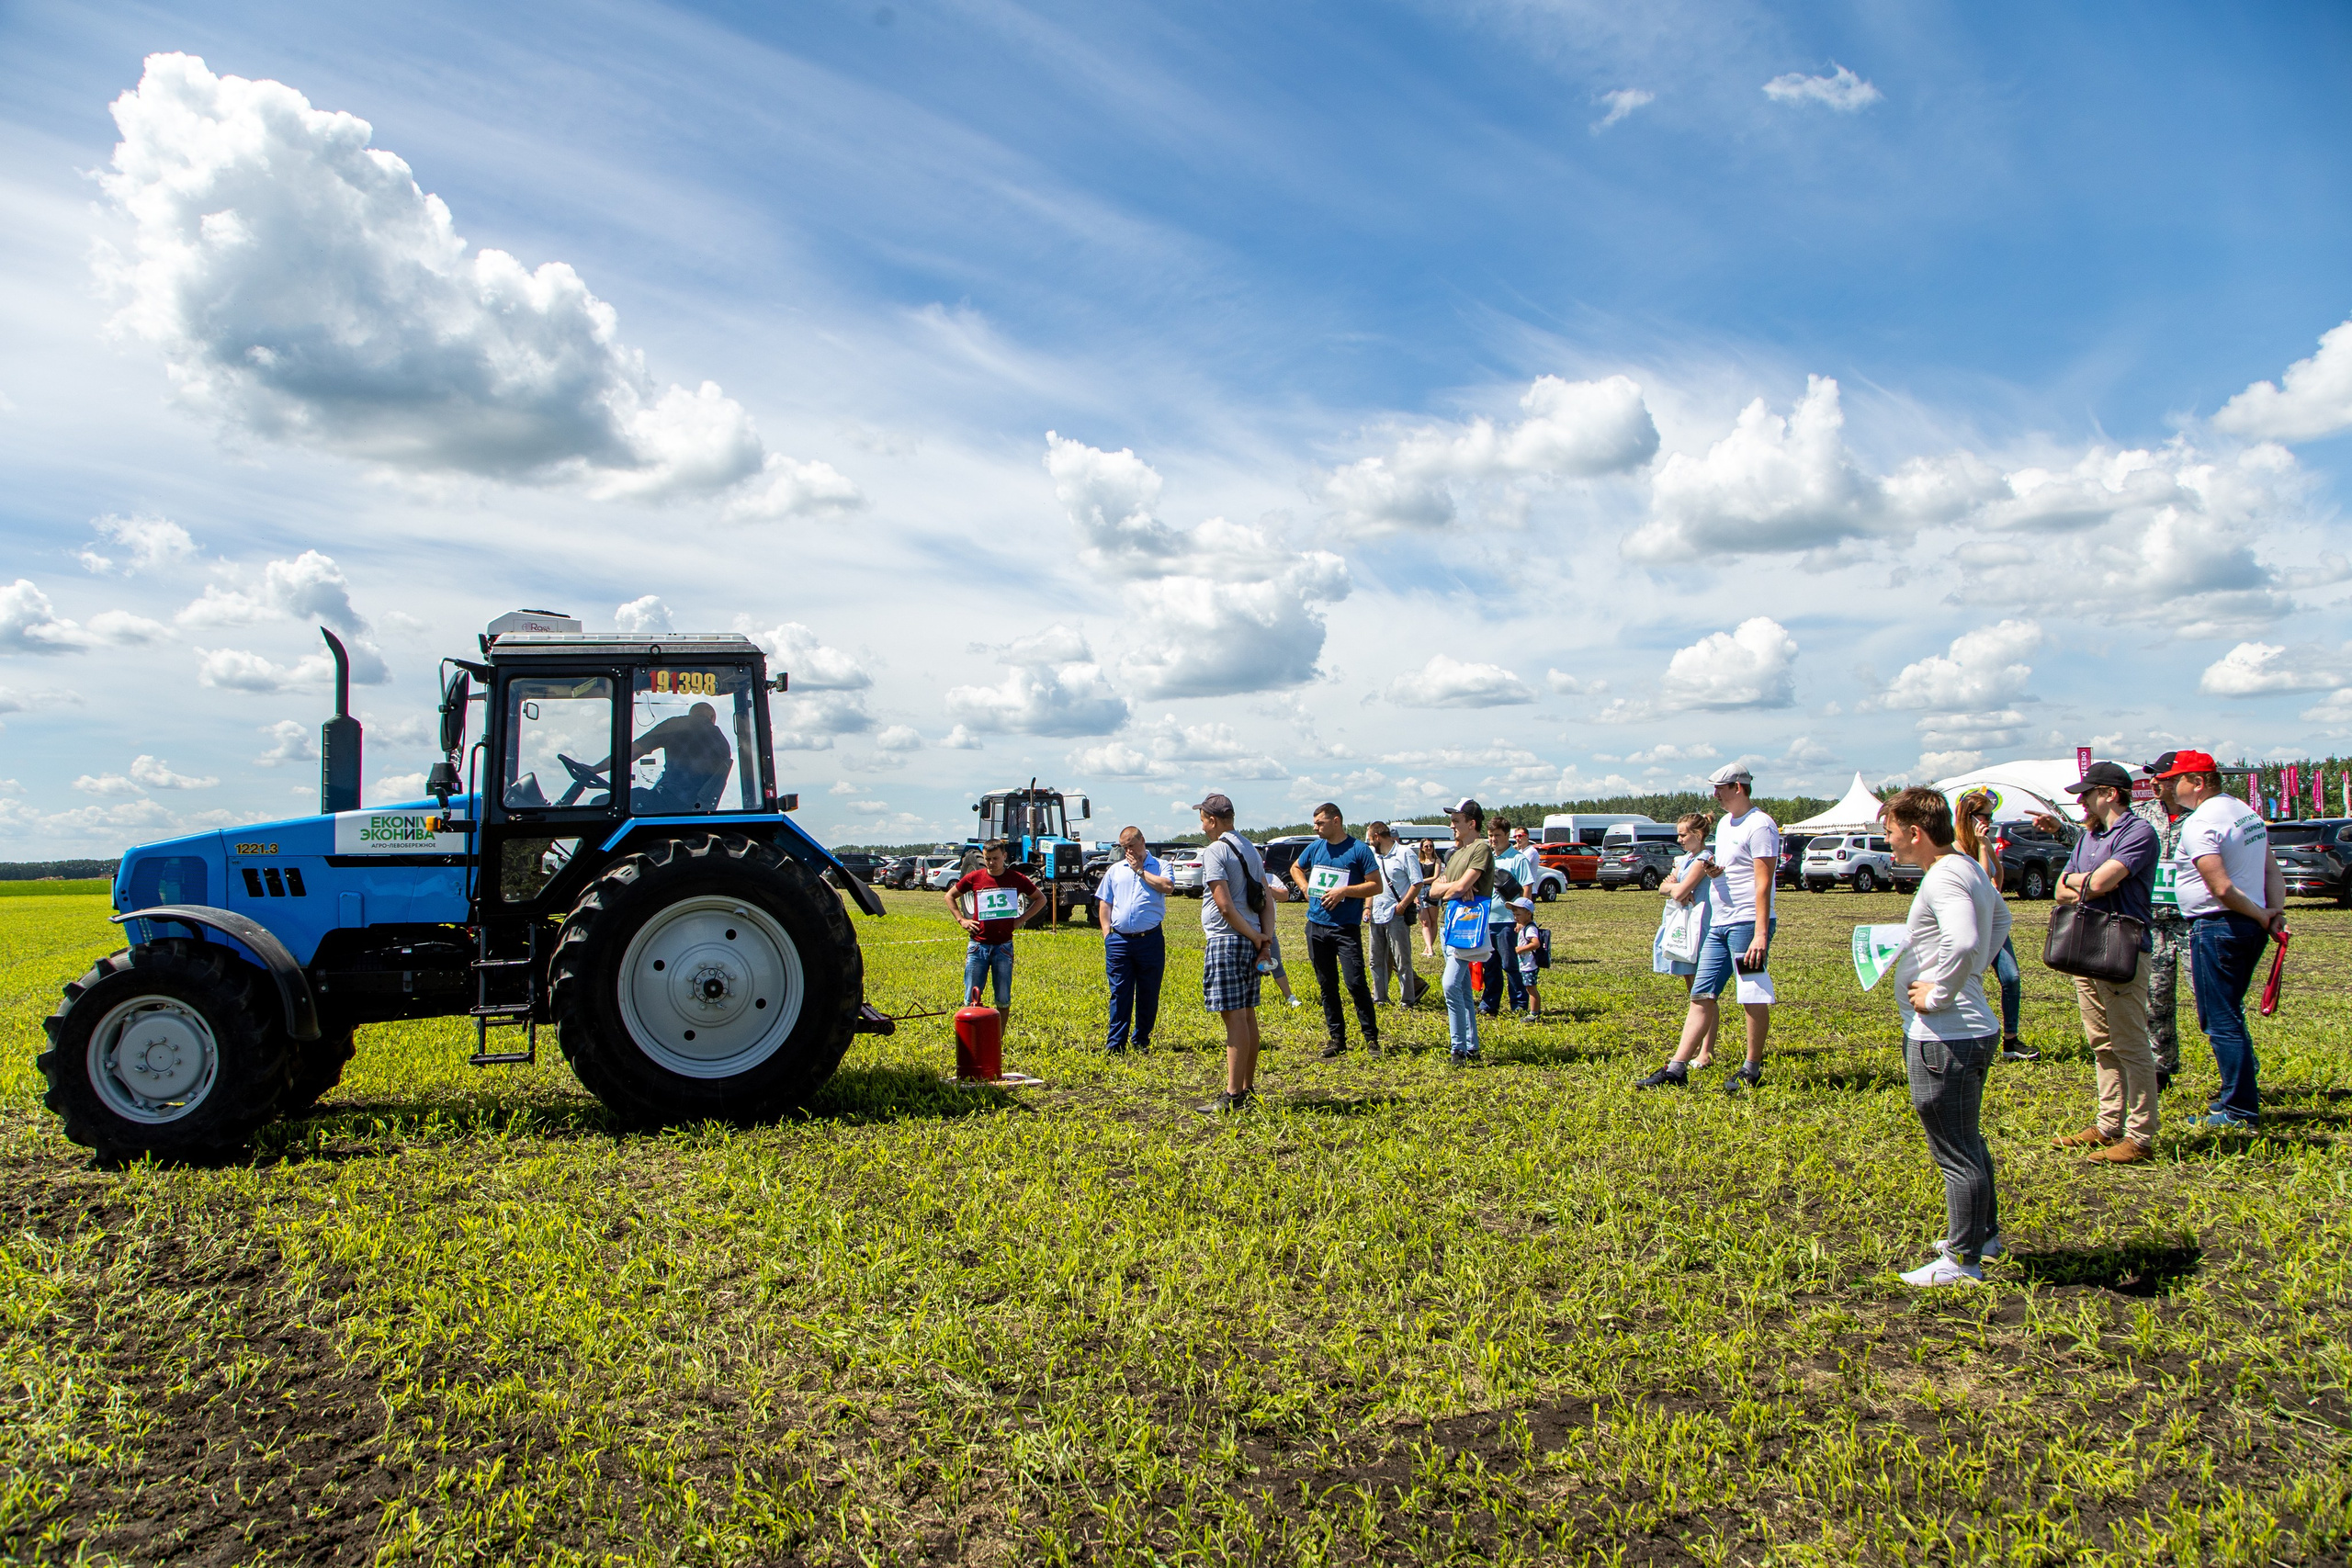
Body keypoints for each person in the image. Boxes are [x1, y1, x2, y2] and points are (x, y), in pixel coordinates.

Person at [1883, 786, 2012, 1287]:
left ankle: (1962, 1262)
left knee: (1954, 1149)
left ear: (1915, 833)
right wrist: (1972, 971)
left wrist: (1939, 992)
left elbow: (1964, 938)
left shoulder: (1944, 877)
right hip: (1966, 1030)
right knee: (1966, 1139)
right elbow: (1999, 917)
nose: (1888, 842)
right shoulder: (1966, 867)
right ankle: (1983, 1236)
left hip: (1946, 1034)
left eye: (1891, 833)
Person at [2155, 751, 2288, 1128]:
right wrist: (2273, 913)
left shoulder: (2201, 823)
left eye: (2175, 779)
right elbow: (2270, 870)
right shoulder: (2245, 813)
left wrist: (2264, 915)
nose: (2169, 785)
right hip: (2247, 926)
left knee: (2220, 1020)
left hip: (2219, 926)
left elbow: (2221, 887)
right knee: (2229, 1013)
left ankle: (2240, 1110)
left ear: (2197, 782)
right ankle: (2238, 1098)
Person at [2041, 762, 2163, 1164]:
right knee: (2101, 1042)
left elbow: (2099, 882)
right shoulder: (2089, 836)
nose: (2081, 801)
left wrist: (2083, 881)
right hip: (2086, 947)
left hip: (2122, 950)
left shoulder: (2139, 833)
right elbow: (2062, 888)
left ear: (2110, 793)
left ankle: (2140, 1137)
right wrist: (2084, 881)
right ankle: (2109, 1123)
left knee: (2130, 1044)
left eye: (2088, 793)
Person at [1634, 764, 1777, 1091]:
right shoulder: (1727, 824)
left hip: (1746, 924)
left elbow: (1763, 882)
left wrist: (1760, 934)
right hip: (1720, 921)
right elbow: (1731, 869)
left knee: (1750, 993)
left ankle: (1751, 1068)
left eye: (1720, 788)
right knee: (1702, 992)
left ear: (1739, 787)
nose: (1715, 795)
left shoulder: (1761, 825)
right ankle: (1676, 1068)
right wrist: (1715, 871)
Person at [1194, 794, 1274, 1113]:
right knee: (1247, 1014)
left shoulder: (1215, 851)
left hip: (1227, 940)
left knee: (1234, 1018)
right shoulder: (1250, 847)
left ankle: (1233, 1095)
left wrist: (1255, 935)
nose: (1201, 827)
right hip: (1250, 940)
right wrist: (1263, 939)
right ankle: (1247, 1087)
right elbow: (1267, 898)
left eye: (1202, 820)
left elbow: (1224, 906)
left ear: (1212, 820)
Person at [1291, 803, 1385, 1058]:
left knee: (1355, 983)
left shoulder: (1359, 850)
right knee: (1326, 985)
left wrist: (1344, 891)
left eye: (1319, 823)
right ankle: (1337, 1039)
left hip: (1345, 929)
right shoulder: (1316, 847)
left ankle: (1371, 1038)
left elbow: (1376, 886)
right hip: (1316, 927)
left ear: (1336, 821)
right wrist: (1304, 886)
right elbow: (1295, 868)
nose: (1315, 827)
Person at [1953, 790, 2035, 1062]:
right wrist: (1981, 847)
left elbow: (1995, 874)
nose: (1989, 820)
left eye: (1991, 815)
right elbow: (1980, 875)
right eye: (1986, 815)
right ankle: (1968, 1037)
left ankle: (2010, 1041)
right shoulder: (1955, 848)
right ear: (1970, 816)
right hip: (1969, 926)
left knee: (2010, 978)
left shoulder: (1983, 841)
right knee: (1966, 979)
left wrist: (1995, 889)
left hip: (1992, 923)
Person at [2132, 753, 2189, 1092]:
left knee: (2212, 1004)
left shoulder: (2202, 817)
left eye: (2162, 777)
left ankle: (2237, 1078)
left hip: (2195, 922)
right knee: (2155, 1001)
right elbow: (2098, 834)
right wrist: (2058, 830)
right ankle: (2159, 1069)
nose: (2154, 782)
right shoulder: (2143, 816)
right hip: (2153, 923)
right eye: (2151, 776)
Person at [946, 839, 1043, 1032]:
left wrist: (1021, 919)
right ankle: (973, 1039)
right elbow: (950, 896)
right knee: (971, 997)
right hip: (977, 946)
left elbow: (1040, 898)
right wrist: (961, 920)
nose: (991, 862)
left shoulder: (1016, 878)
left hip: (1003, 947)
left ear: (1004, 856)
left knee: (1003, 998)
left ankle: (998, 1041)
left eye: (996, 858)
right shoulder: (974, 877)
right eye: (988, 858)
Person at [1427, 798, 1497, 1065]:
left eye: (1456, 820)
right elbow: (1434, 891)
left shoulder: (1481, 848)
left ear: (1472, 823)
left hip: (1469, 925)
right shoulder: (1454, 854)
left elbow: (1455, 889)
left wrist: (1452, 887)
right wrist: (1452, 887)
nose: (1452, 825)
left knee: (1450, 985)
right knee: (1464, 989)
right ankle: (1471, 1047)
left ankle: (1458, 1048)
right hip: (1450, 925)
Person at [1095, 826, 1172, 1055]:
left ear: (1142, 841)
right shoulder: (1115, 870)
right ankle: (1115, 1043)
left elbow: (1168, 887)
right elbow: (1105, 902)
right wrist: (1107, 933)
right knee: (1120, 991)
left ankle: (1141, 1040)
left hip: (1149, 940)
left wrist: (1140, 871)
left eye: (1131, 845)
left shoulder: (1160, 866)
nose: (1128, 851)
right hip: (1119, 941)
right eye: (1124, 847)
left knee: (1148, 991)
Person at [1651, 811, 1719, 1068]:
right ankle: (1696, 1046)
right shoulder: (1687, 859)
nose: (1678, 839)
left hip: (1700, 926)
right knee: (1693, 991)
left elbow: (1678, 888)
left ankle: (1706, 1052)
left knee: (1704, 994)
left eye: (1683, 834)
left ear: (1698, 835)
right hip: (1685, 926)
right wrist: (1675, 888)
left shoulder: (1704, 858)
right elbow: (1665, 887)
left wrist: (1677, 888)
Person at [1364, 821, 1427, 1007]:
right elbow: (1371, 884)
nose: (1369, 843)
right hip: (1376, 914)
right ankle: (1380, 998)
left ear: (1377, 837)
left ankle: (1407, 999)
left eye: (1369, 839)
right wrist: (1367, 907)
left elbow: (1417, 883)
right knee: (1376, 959)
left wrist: (1402, 906)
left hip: (1396, 915)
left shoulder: (1405, 853)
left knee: (1402, 959)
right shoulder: (1375, 857)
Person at [1482, 815, 1534, 1017]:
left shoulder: (1517, 858)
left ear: (1506, 835)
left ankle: (1519, 1003)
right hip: (1488, 921)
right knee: (1490, 965)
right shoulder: (1488, 858)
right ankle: (1490, 1004)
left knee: (1510, 964)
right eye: (1490, 836)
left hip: (1507, 921)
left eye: (1497, 835)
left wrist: (1522, 919)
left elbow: (1527, 887)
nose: (1493, 839)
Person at [1512, 897, 1544, 1020]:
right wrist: (1520, 926)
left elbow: (1536, 944)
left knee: (1531, 989)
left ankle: (1534, 1013)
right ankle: (1535, 1011)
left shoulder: (1530, 929)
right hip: (1526, 964)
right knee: (1529, 987)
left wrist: (1521, 949)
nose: (1516, 917)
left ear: (1528, 914)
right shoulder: (1526, 926)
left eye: (1518, 914)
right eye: (1514, 914)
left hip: (1530, 964)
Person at [1415, 837, 1443, 957]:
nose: (1429, 848)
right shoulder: (1418, 862)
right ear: (1422, 848)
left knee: (1433, 920)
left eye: (1431, 846)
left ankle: (1429, 947)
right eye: (1426, 846)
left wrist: (1421, 881)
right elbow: (1414, 878)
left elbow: (1435, 877)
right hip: (1420, 891)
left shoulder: (1437, 861)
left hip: (1433, 890)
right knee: (1425, 922)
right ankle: (1429, 948)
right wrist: (1415, 894)